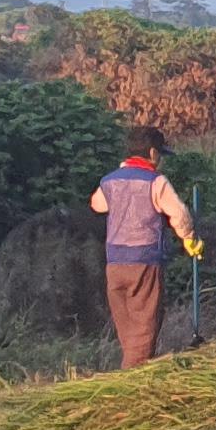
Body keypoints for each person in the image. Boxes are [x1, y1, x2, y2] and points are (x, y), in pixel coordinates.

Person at [89, 131, 201, 368]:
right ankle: (129, 386)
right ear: (152, 153)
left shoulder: (109, 181)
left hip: (115, 264)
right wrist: (189, 239)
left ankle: (131, 379)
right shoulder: (156, 181)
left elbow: (97, 205)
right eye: (160, 154)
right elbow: (179, 215)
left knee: (129, 334)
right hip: (144, 262)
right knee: (143, 333)